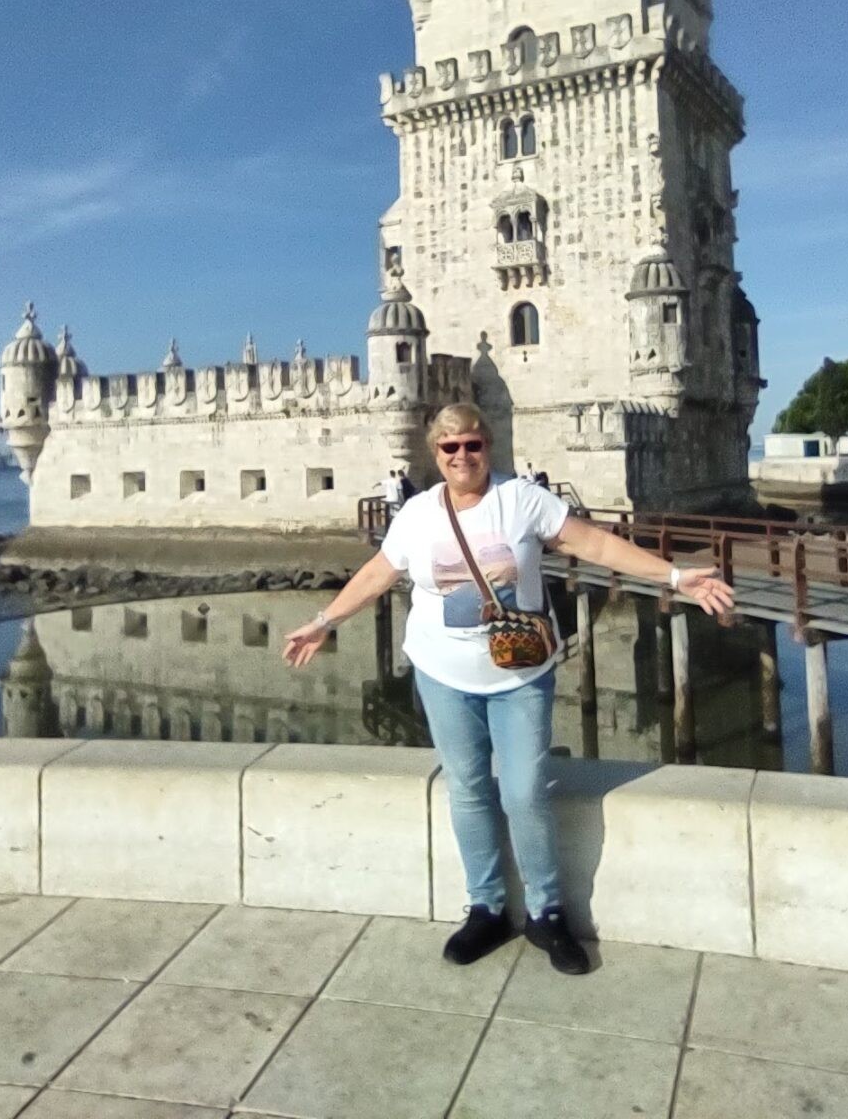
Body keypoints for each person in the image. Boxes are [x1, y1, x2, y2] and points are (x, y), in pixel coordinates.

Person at [284, 402, 734, 976]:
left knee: (524, 792)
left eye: (472, 444)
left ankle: (547, 915)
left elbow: (591, 544)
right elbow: (379, 572)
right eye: (450, 448)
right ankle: (487, 907)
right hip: (442, 676)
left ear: (487, 446)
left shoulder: (521, 498)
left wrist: (672, 575)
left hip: (521, 675)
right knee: (469, 790)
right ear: (435, 454)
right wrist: (324, 621)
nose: (463, 456)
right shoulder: (418, 514)